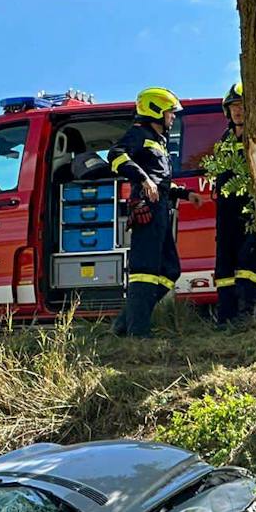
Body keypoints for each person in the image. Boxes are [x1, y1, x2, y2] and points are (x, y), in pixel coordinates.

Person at [106, 87, 183, 338]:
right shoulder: (139, 134)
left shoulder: (159, 141)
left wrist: (182, 193)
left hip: (161, 209)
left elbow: (160, 180)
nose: (173, 117)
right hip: (146, 208)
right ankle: (138, 333)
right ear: (156, 111)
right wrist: (143, 179)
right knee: (144, 271)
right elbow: (115, 156)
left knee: (170, 269)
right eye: (170, 112)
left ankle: (125, 322)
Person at [209, 83, 256, 326]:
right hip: (226, 213)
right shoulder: (224, 140)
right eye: (233, 106)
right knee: (224, 266)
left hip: (250, 211)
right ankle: (225, 319)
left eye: (242, 106)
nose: (238, 111)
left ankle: (248, 318)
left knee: (249, 264)